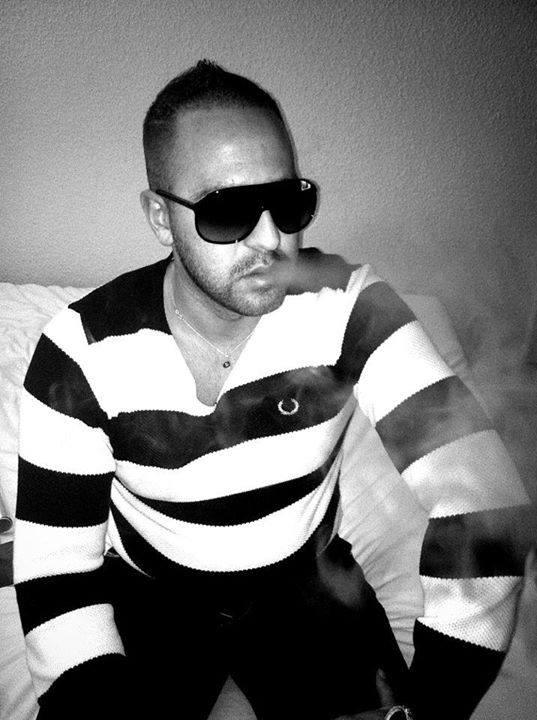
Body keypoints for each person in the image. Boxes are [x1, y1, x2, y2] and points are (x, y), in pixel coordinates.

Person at [13, 60, 530, 720]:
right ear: (160, 218)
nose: (272, 240)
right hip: (152, 592)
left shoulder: (348, 306)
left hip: (307, 586)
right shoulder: (79, 353)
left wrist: (436, 703)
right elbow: (56, 571)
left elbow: (483, 500)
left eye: (288, 204)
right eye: (227, 211)